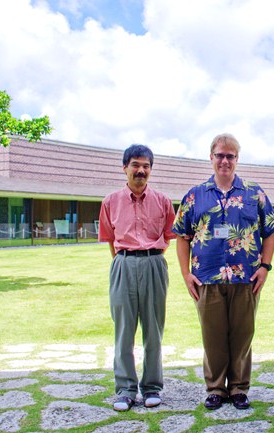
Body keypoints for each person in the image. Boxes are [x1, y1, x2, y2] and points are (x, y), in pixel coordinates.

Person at [172, 133, 274, 410]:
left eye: (230, 156)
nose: (225, 161)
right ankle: (216, 389)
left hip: (246, 278)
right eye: (220, 155)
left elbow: (270, 232)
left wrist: (265, 267)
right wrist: (186, 274)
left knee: (243, 335)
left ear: (237, 159)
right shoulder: (195, 195)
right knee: (213, 336)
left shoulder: (254, 193)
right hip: (206, 277)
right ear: (211, 157)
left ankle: (239, 388)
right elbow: (182, 237)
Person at [98, 144, 176, 412]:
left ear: (151, 170)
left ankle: (152, 387)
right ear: (125, 168)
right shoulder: (110, 202)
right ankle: (125, 389)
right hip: (123, 264)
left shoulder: (163, 201)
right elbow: (110, 240)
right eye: (135, 165)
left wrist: (150, 257)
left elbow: (168, 236)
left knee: (153, 329)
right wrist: (126, 260)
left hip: (154, 263)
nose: (141, 170)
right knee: (123, 330)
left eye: (146, 166)